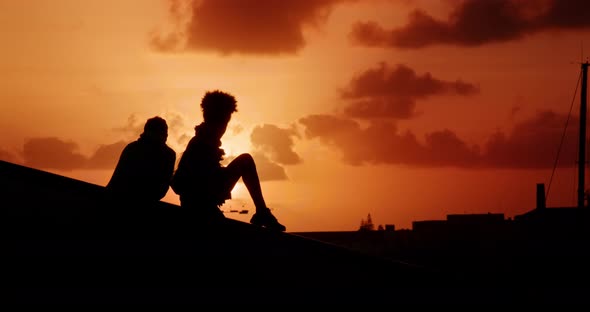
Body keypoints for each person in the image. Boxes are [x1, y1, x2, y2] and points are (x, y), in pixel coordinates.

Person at [171, 90, 286, 231]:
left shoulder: (203, 140)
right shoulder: (202, 143)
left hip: (201, 203)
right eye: (225, 122)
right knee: (246, 160)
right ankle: (262, 212)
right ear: (219, 121)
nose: (225, 128)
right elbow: (189, 181)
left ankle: (262, 212)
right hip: (199, 204)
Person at [106, 116, 176, 205]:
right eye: (164, 133)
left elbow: (116, 181)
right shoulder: (168, 155)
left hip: (119, 201)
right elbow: (161, 189)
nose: (166, 137)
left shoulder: (131, 148)